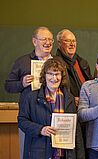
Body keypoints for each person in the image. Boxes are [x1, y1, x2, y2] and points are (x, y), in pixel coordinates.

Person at [17, 58, 85, 159]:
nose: (54, 78)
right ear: (44, 75)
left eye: (57, 74)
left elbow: (76, 130)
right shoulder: (31, 98)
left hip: (65, 154)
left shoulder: (69, 98)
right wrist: (41, 129)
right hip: (40, 153)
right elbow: (22, 121)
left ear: (62, 77)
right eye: (50, 74)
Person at [5, 26, 54, 159]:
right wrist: (22, 83)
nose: (48, 42)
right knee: (28, 152)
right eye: (44, 39)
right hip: (29, 116)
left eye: (50, 39)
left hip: (53, 115)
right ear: (34, 41)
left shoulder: (57, 63)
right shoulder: (22, 61)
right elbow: (8, 86)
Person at [55, 29, 92, 106]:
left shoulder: (83, 63)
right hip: (66, 108)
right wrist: (71, 99)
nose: (72, 44)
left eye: (74, 41)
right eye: (67, 41)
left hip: (84, 107)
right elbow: (52, 89)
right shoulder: (55, 64)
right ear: (59, 43)